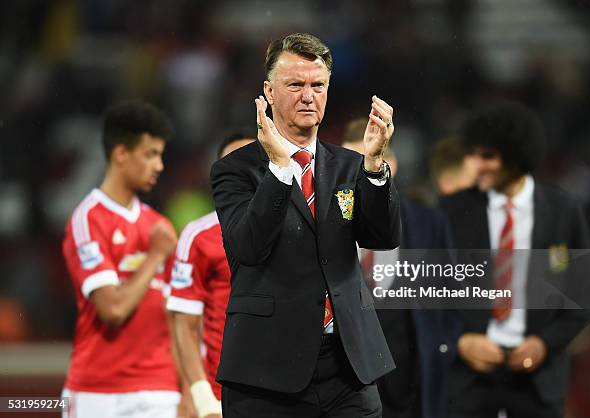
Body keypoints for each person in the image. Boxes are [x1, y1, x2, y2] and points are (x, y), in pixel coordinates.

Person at [210, 33, 401, 417]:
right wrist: (280, 170)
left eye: (318, 85)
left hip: (348, 368)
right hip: (267, 372)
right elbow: (248, 246)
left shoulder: (351, 165)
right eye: (295, 85)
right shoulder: (235, 169)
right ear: (269, 91)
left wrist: (376, 169)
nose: (308, 95)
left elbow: (382, 237)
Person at [439, 102, 590, 418]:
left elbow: (585, 294)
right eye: (475, 154)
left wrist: (545, 344)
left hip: (539, 381)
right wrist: (460, 342)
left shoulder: (564, 210)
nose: (477, 165)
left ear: (517, 156)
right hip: (468, 380)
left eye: (488, 157)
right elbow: (426, 290)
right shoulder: (452, 211)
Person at [61, 101, 183, 418]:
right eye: (150, 154)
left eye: (161, 155)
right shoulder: (89, 219)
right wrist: (155, 255)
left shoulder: (160, 226)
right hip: (97, 391)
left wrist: (188, 387)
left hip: (159, 389)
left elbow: (177, 314)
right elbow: (112, 309)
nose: (159, 166)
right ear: (120, 155)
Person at [343, 118, 458, 418]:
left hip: (410, 381)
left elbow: (450, 294)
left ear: (389, 161)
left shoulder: (428, 223)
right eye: (351, 159)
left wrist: (440, 351)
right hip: (344, 381)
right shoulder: (325, 221)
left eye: (370, 157)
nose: (360, 167)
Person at [167, 132, 255, 418]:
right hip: (219, 398)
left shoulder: (297, 228)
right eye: (234, 163)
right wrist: (199, 397)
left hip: (285, 394)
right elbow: (184, 324)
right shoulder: (198, 236)